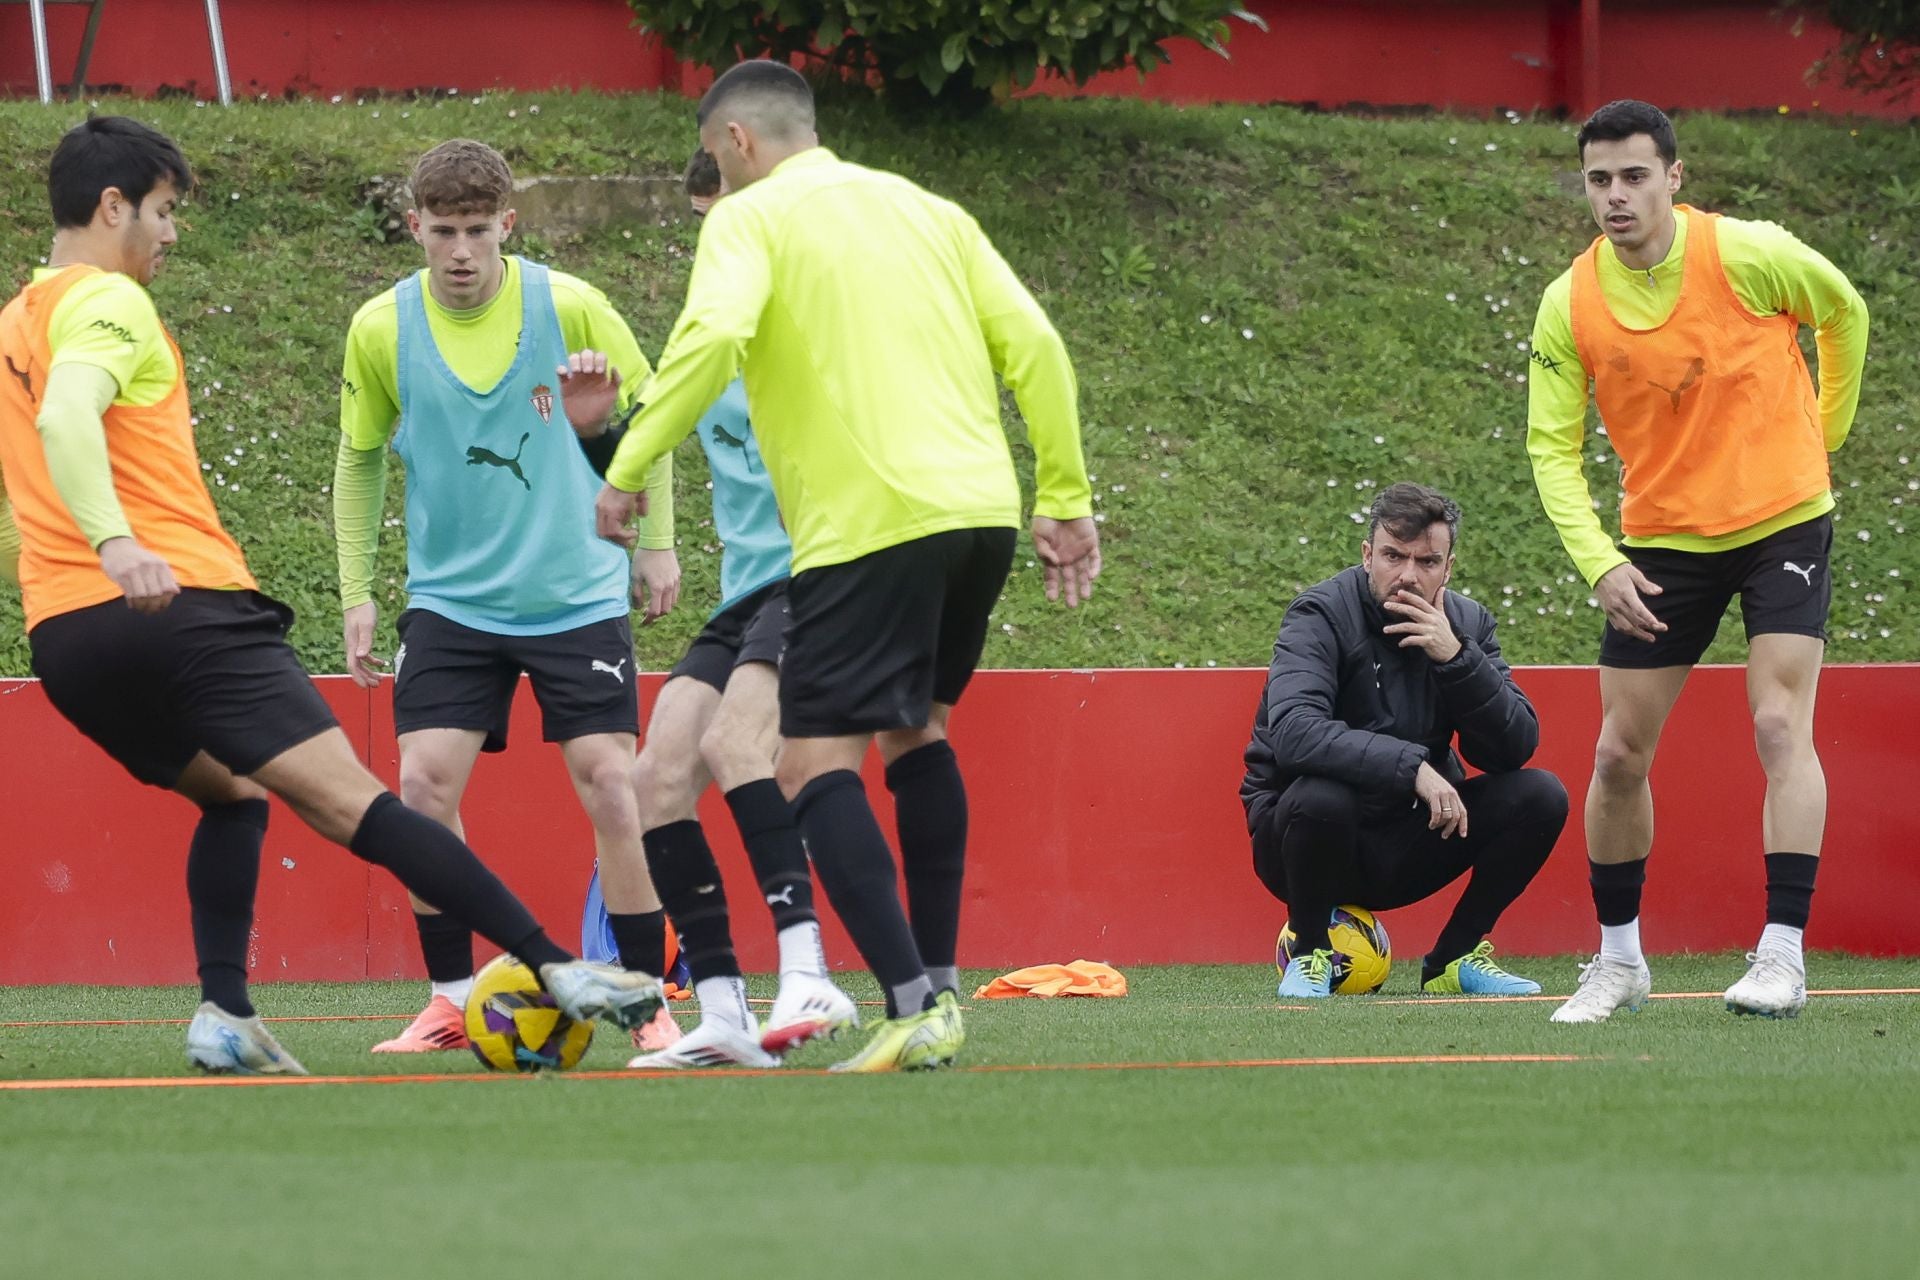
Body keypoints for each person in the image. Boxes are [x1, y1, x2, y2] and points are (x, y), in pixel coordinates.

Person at [0, 117, 663, 1074]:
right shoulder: (109, 302)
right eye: (164, 211)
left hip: (64, 638)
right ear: (113, 208)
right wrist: (118, 542)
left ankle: (225, 1011)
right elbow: (70, 414)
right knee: (372, 808)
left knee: (232, 798)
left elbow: (37, 448)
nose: (172, 234)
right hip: (184, 609)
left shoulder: (19, 317)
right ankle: (559, 966)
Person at [594, 61, 1102, 1073]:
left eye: (714, 157)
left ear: (738, 143)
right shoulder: (928, 210)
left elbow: (711, 337)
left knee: (806, 764)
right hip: (979, 514)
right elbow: (1035, 344)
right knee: (919, 731)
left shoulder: (748, 219)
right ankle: (940, 983)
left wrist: (629, 465)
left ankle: (911, 1002)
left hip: (866, 525)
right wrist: (1067, 495)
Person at [334, 138, 683, 1054]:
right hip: (451, 601)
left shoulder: (568, 305)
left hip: (576, 592)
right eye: (441, 231)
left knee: (612, 785)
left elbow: (651, 422)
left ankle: (647, 1003)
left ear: (507, 227)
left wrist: (656, 545)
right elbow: (360, 458)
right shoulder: (382, 327)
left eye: (476, 231)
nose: (458, 251)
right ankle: (452, 997)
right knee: (419, 786)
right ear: (414, 226)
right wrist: (357, 590)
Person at [1526, 100, 1869, 1023]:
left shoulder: (1748, 252)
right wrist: (1599, 562)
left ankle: (1783, 956)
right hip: (1663, 542)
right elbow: (1550, 451)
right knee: (1616, 754)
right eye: (1599, 179)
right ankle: (1619, 962)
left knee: (1775, 724)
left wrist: (1820, 437)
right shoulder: (1571, 302)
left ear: (1675, 177)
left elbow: (1843, 310)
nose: (1615, 195)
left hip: (1783, 521)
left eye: (1635, 175)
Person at [602, 148, 854, 1070]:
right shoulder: (703, 333)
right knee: (653, 779)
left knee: (734, 747)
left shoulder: (821, 320)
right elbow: (641, 443)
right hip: (748, 589)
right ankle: (723, 1014)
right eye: (709, 223)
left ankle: (809, 969)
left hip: (827, 569)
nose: (723, 239)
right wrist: (600, 428)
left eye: (734, 217)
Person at [1242, 483, 1567, 998]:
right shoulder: (1318, 614)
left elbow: (1512, 748)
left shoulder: (1468, 624)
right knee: (1324, 794)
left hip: (1409, 840)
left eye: (1427, 561)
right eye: (1394, 556)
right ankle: (1308, 953)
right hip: (1304, 841)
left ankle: (1454, 959)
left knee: (1541, 795)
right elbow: (1293, 732)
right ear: (1368, 555)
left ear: (1448, 567)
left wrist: (1457, 659)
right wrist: (1412, 767)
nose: (1408, 575)